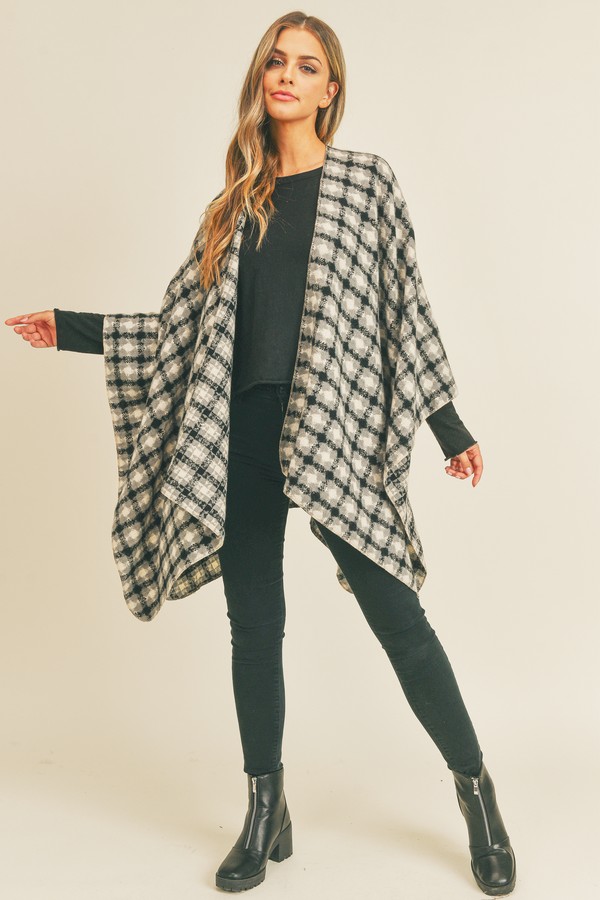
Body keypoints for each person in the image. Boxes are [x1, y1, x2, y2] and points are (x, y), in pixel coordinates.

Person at [4, 10, 516, 897]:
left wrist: (448, 426)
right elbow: (182, 332)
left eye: (307, 66)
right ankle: (265, 805)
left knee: (399, 619)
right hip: (242, 431)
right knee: (255, 627)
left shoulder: (365, 184)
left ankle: (477, 793)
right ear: (261, 78)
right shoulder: (234, 203)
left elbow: (405, 311)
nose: (287, 75)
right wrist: (73, 328)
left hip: (332, 431)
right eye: (277, 61)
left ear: (330, 89)